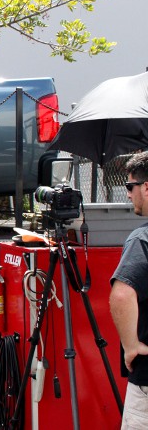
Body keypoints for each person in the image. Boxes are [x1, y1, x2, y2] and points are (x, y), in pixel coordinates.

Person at [111, 151, 148, 429]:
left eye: (129, 186)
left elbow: (122, 294)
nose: (127, 195)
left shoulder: (141, 240)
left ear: (146, 187)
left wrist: (131, 346)